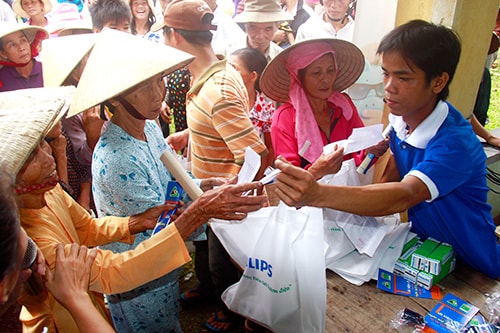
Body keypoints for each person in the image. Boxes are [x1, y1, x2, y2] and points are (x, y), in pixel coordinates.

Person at [6, 89, 266, 332]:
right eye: (33, 154)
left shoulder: (49, 192)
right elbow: (114, 271)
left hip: (139, 273)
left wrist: (133, 222)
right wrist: (197, 213)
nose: (50, 157)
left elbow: (86, 227)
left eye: (45, 144)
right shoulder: (27, 237)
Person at [274, 19, 500, 279]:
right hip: (421, 250)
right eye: (386, 73)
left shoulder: (454, 143)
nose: (389, 86)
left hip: (471, 261)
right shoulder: (401, 121)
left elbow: (405, 194)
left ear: (438, 83)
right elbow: (392, 172)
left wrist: (317, 193)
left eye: (403, 77)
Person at [79, 30, 224, 332]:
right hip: (137, 275)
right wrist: (206, 208)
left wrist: (200, 185)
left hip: (162, 268)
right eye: (145, 86)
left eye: (160, 80)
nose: (159, 93)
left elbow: (170, 181)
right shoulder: (116, 158)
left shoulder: (150, 126)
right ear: (115, 100)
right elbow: (162, 224)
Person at [156, 1, 268, 330]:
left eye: (164, 35)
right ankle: (210, 292)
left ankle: (232, 310)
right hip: (206, 191)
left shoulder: (216, 90)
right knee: (207, 255)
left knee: (223, 264)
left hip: (222, 201)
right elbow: (224, 124)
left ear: (174, 36)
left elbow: (254, 153)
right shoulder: (217, 75)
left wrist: (225, 195)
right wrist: (190, 134)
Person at [260, 38, 378, 179]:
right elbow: (288, 178)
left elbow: (360, 157)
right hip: (307, 200)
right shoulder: (285, 118)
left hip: (347, 195)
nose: (326, 79)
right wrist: (317, 171)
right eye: (316, 73)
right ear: (299, 77)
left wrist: (370, 153)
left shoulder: (344, 106)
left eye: (330, 71)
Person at [229, 47, 276, 171]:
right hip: (222, 168)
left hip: (250, 171)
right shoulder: (224, 100)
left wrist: (259, 177)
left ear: (253, 76)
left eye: (234, 68)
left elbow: (269, 148)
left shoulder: (266, 107)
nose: (227, 72)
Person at [0, 25, 47, 92]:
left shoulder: (47, 69)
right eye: (12, 45)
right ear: (3, 54)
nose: (21, 48)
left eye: (23, 40)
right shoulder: (2, 78)